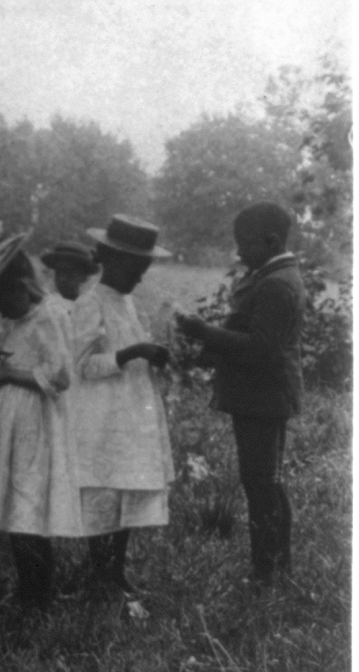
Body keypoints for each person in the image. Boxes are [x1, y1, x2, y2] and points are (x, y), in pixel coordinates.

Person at [177, 201, 306, 587]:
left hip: (264, 398)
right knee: (265, 481)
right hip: (261, 395)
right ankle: (274, 567)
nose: (238, 252)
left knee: (262, 484)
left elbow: (258, 349)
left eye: (244, 243)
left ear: (270, 240)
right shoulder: (270, 275)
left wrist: (204, 332)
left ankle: (268, 572)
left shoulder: (278, 283)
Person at [0, 226, 85, 609]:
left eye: (2, 303)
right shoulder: (23, 322)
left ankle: (38, 594)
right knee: (20, 509)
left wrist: (8, 375)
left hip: (35, 429)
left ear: (20, 288)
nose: (1, 313)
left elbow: (60, 374)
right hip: (18, 428)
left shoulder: (47, 317)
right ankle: (29, 589)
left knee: (29, 508)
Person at [70, 216, 174, 595]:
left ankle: (115, 571)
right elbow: (80, 366)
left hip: (130, 412)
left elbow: (130, 351)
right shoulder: (89, 304)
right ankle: (99, 571)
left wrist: (152, 357)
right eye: (135, 268)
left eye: (144, 269)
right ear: (109, 260)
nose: (140, 277)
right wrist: (131, 352)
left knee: (127, 485)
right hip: (100, 416)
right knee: (103, 491)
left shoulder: (127, 303)